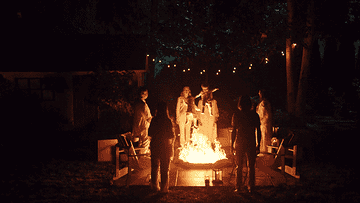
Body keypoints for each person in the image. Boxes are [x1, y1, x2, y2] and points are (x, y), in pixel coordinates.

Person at [231, 95, 261, 193]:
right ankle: (251, 187)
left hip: (240, 142)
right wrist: (258, 144)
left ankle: (238, 187)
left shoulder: (237, 114)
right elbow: (258, 130)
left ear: (240, 104)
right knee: (251, 166)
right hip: (251, 142)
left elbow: (234, 131)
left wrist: (232, 144)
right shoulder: (254, 115)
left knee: (239, 166)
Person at [148, 101, 176, 193]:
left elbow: (150, 133)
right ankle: (164, 188)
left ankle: (154, 186)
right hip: (165, 146)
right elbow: (171, 135)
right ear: (166, 110)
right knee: (164, 168)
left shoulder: (154, 120)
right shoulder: (168, 121)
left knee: (155, 167)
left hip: (155, 145)